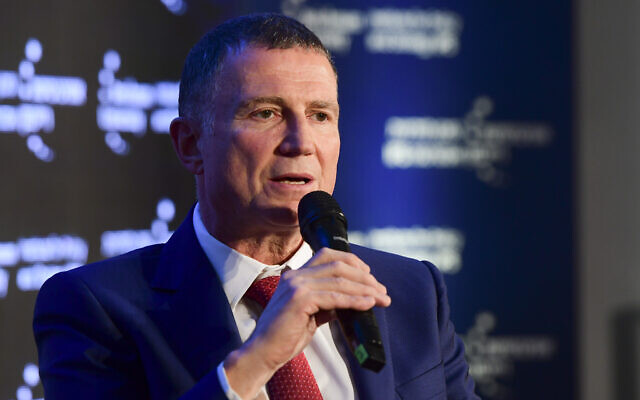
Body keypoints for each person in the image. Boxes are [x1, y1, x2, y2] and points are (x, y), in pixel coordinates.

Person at [33, 13, 479, 400]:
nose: (301, 143)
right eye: (265, 113)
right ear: (190, 145)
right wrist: (259, 359)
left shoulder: (409, 291)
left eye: (321, 115)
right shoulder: (96, 308)